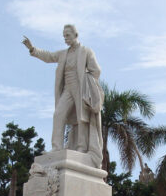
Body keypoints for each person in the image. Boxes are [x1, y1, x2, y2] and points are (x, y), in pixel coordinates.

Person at [22, 25, 104, 168]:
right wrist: (32, 49)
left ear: (75, 34)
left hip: (80, 89)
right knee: (58, 114)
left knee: (82, 118)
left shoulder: (86, 51)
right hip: (67, 89)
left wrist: (86, 78)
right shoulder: (63, 54)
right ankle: (56, 147)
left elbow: (96, 70)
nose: (65, 38)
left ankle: (81, 147)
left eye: (67, 35)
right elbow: (48, 56)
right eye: (64, 36)